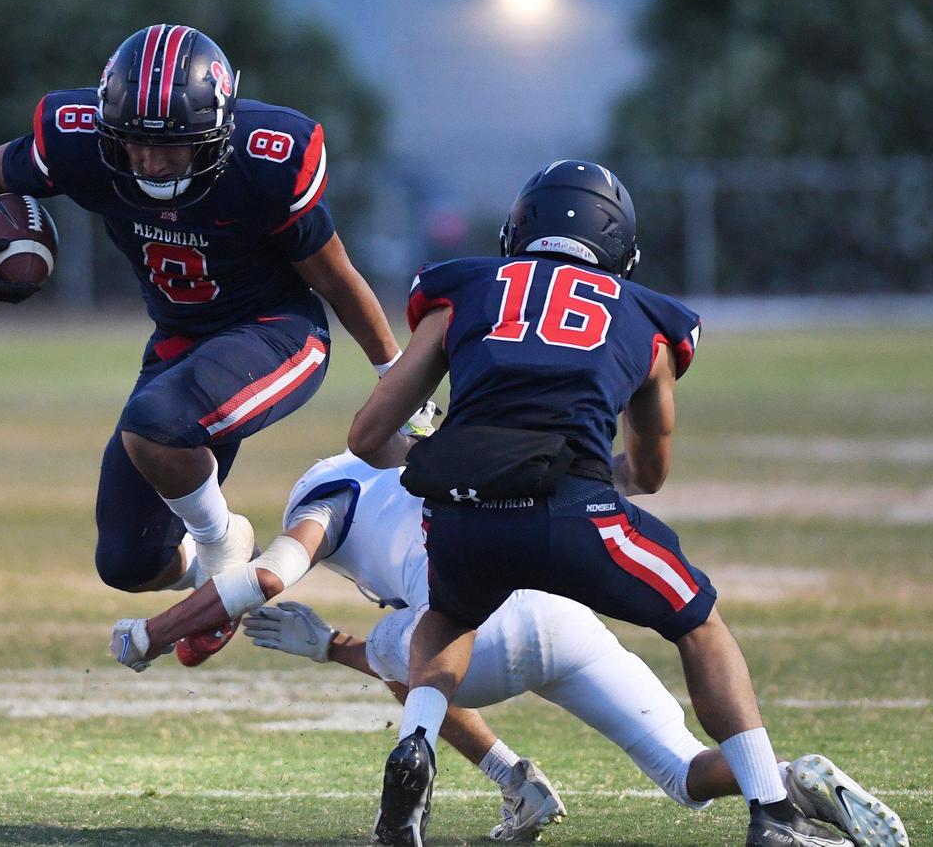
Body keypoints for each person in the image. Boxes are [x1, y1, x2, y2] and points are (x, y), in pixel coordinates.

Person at [345, 161, 857, 847]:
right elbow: (649, 470)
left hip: (464, 515)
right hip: (574, 512)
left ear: (517, 228)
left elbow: (368, 435)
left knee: (446, 616)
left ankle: (414, 747)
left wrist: (452, 464)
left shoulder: (462, 288)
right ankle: (772, 809)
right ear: (622, 249)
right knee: (699, 620)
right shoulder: (648, 316)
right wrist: (578, 474)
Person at [110, 448, 907, 845]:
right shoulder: (451, 448)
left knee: (413, 659)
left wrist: (154, 632)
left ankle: (514, 780)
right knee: (684, 771)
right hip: (562, 614)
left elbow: (268, 578)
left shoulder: (331, 491)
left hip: (471, 632)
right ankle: (791, 779)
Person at [0, 25, 401, 625]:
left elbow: (337, 279)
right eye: (135, 141)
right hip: (179, 343)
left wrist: (398, 381)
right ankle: (212, 571)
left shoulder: (266, 161)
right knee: (128, 562)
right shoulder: (77, 143)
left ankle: (220, 551)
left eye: (175, 145)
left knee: (154, 425)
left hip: (278, 333)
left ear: (217, 133)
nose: (153, 160)